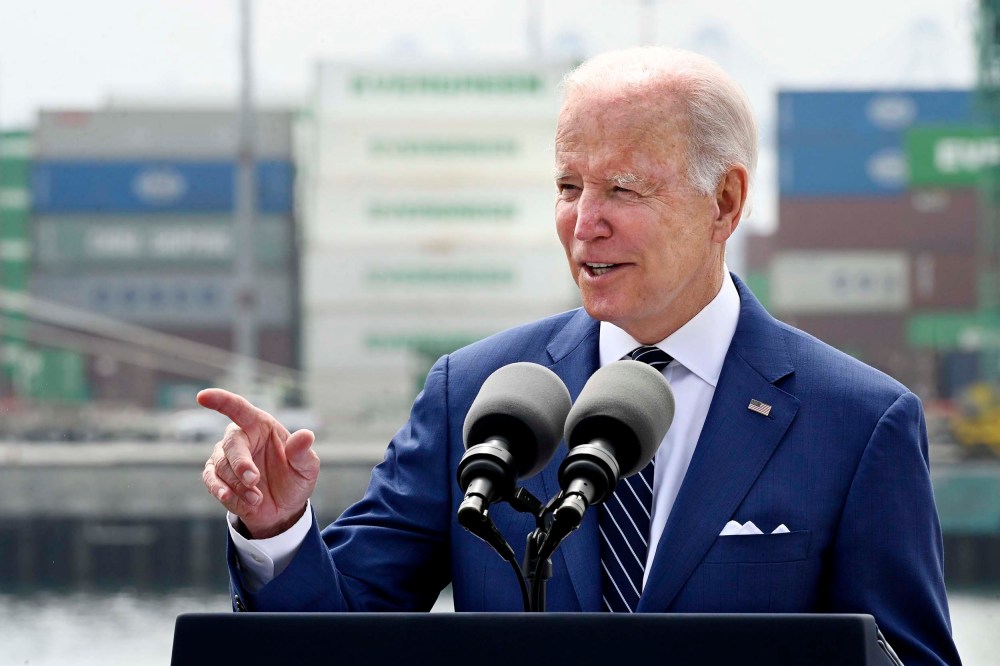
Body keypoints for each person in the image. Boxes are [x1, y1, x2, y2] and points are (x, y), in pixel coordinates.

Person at [200, 47, 961, 665]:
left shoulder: (859, 423)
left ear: (725, 203)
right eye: (569, 185)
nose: (583, 223)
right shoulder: (473, 393)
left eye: (623, 189)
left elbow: (911, 659)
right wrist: (278, 529)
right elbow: (331, 641)